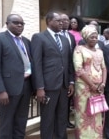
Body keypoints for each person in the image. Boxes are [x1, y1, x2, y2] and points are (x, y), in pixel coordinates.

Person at [31, 11, 74, 139]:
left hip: (64, 86)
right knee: (48, 119)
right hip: (48, 86)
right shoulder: (39, 37)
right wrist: (39, 88)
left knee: (62, 117)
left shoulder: (65, 40)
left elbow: (69, 63)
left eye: (63, 21)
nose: (62, 23)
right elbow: (36, 64)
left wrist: (71, 82)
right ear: (49, 21)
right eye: (58, 20)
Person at [0, 14, 33, 139]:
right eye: (15, 22)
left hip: (26, 86)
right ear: (7, 23)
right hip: (8, 89)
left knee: (21, 121)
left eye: (22, 23)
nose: (19, 25)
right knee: (7, 123)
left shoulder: (26, 41)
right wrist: (1, 90)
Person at [73, 25, 107, 139]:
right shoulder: (79, 49)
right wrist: (91, 84)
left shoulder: (100, 51)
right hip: (84, 88)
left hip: (98, 88)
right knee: (84, 114)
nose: (94, 39)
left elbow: (104, 68)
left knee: (96, 113)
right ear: (86, 37)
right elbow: (78, 69)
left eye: (96, 36)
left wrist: (103, 84)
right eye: (91, 37)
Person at [60, 13, 76, 128]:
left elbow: (72, 57)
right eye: (63, 20)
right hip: (56, 76)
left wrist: (71, 79)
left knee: (67, 100)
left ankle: (66, 121)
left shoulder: (70, 36)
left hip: (69, 74)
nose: (66, 22)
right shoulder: (55, 35)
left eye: (67, 20)